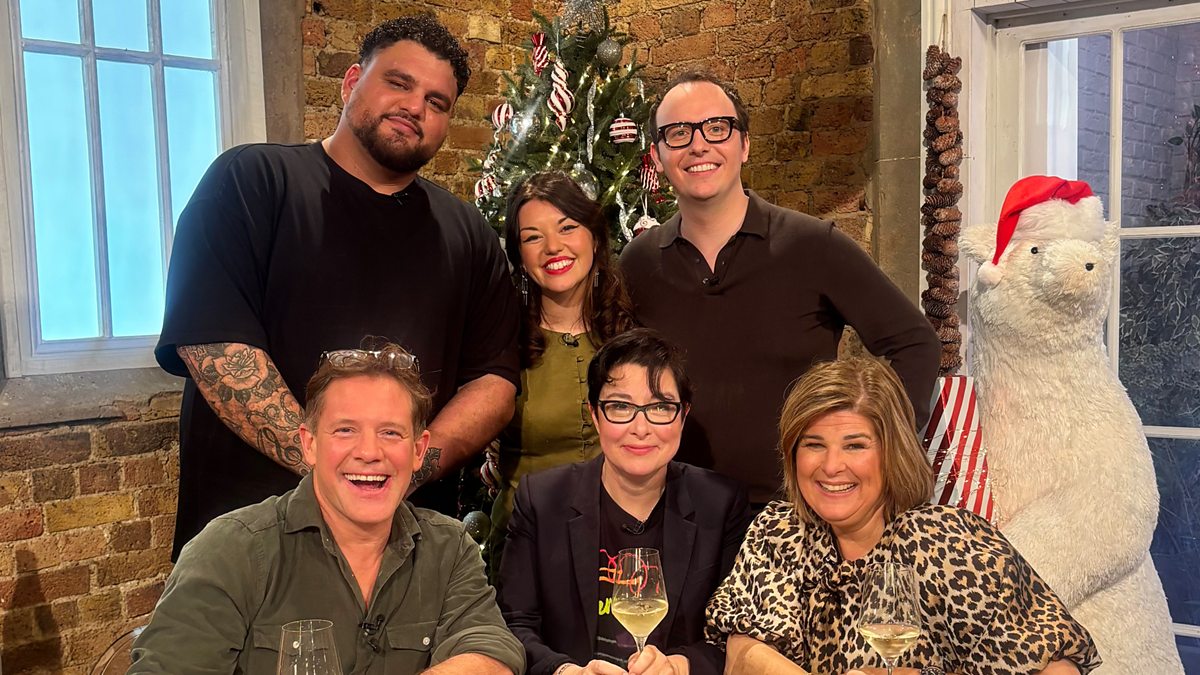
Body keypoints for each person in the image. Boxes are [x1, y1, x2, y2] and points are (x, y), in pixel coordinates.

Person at [155, 15, 519, 557]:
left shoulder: (468, 233)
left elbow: (494, 383)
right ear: (351, 83)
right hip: (252, 548)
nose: (415, 106)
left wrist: (407, 468)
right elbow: (214, 347)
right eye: (398, 82)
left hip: (403, 550)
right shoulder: (251, 182)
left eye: (436, 102)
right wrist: (340, 471)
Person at [619, 71, 940, 508]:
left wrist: (878, 447)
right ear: (657, 156)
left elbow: (916, 343)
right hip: (680, 514)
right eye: (678, 133)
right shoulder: (638, 263)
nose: (699, 145)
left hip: (798, 515)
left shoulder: (813, 245)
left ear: (744, 145)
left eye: (717, 128)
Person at [130, 342, 525, 675]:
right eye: (345, 430)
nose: (369, 452)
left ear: (418, 450)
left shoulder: (449, 548)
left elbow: (492, 651)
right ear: (309, 444)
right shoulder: (230, 551)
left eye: (390, 432)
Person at [705, 357, 1101, 675]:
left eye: (855, 445)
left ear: (891, 453)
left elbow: (1057, 667)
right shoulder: (780, 531)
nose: (831, 466)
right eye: (814, 444)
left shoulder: (948, 542)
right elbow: (742, 652)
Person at [498, 328, 751, 675]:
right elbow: (513, 624)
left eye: (660, 407)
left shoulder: (721, 504)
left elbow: (735, 634)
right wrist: (566, 672)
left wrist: (679, 666)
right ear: (594, 414)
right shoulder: (542, 500)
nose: (640, 428)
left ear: (683, 415)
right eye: (620, 407)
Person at [484, 171, 638, 576]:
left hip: (624, 554)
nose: (553, 247)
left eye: (567, 227)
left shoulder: (633, 337)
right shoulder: (501, 343)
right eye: (532, 237)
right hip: (527, 556)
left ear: (595, 237)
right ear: (519, 255)